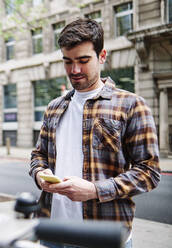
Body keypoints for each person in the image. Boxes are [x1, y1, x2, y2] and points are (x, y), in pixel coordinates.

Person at [30, 18, 161, 248]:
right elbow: (38, 156)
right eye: (68, 62)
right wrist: (40, 175)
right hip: (52, 232)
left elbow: (149, 172)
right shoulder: (54, 107)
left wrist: (94, 190)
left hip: (103, 236)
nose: (75, 70)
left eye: (83, 60)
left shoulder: (131, 105)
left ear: (102, 56)